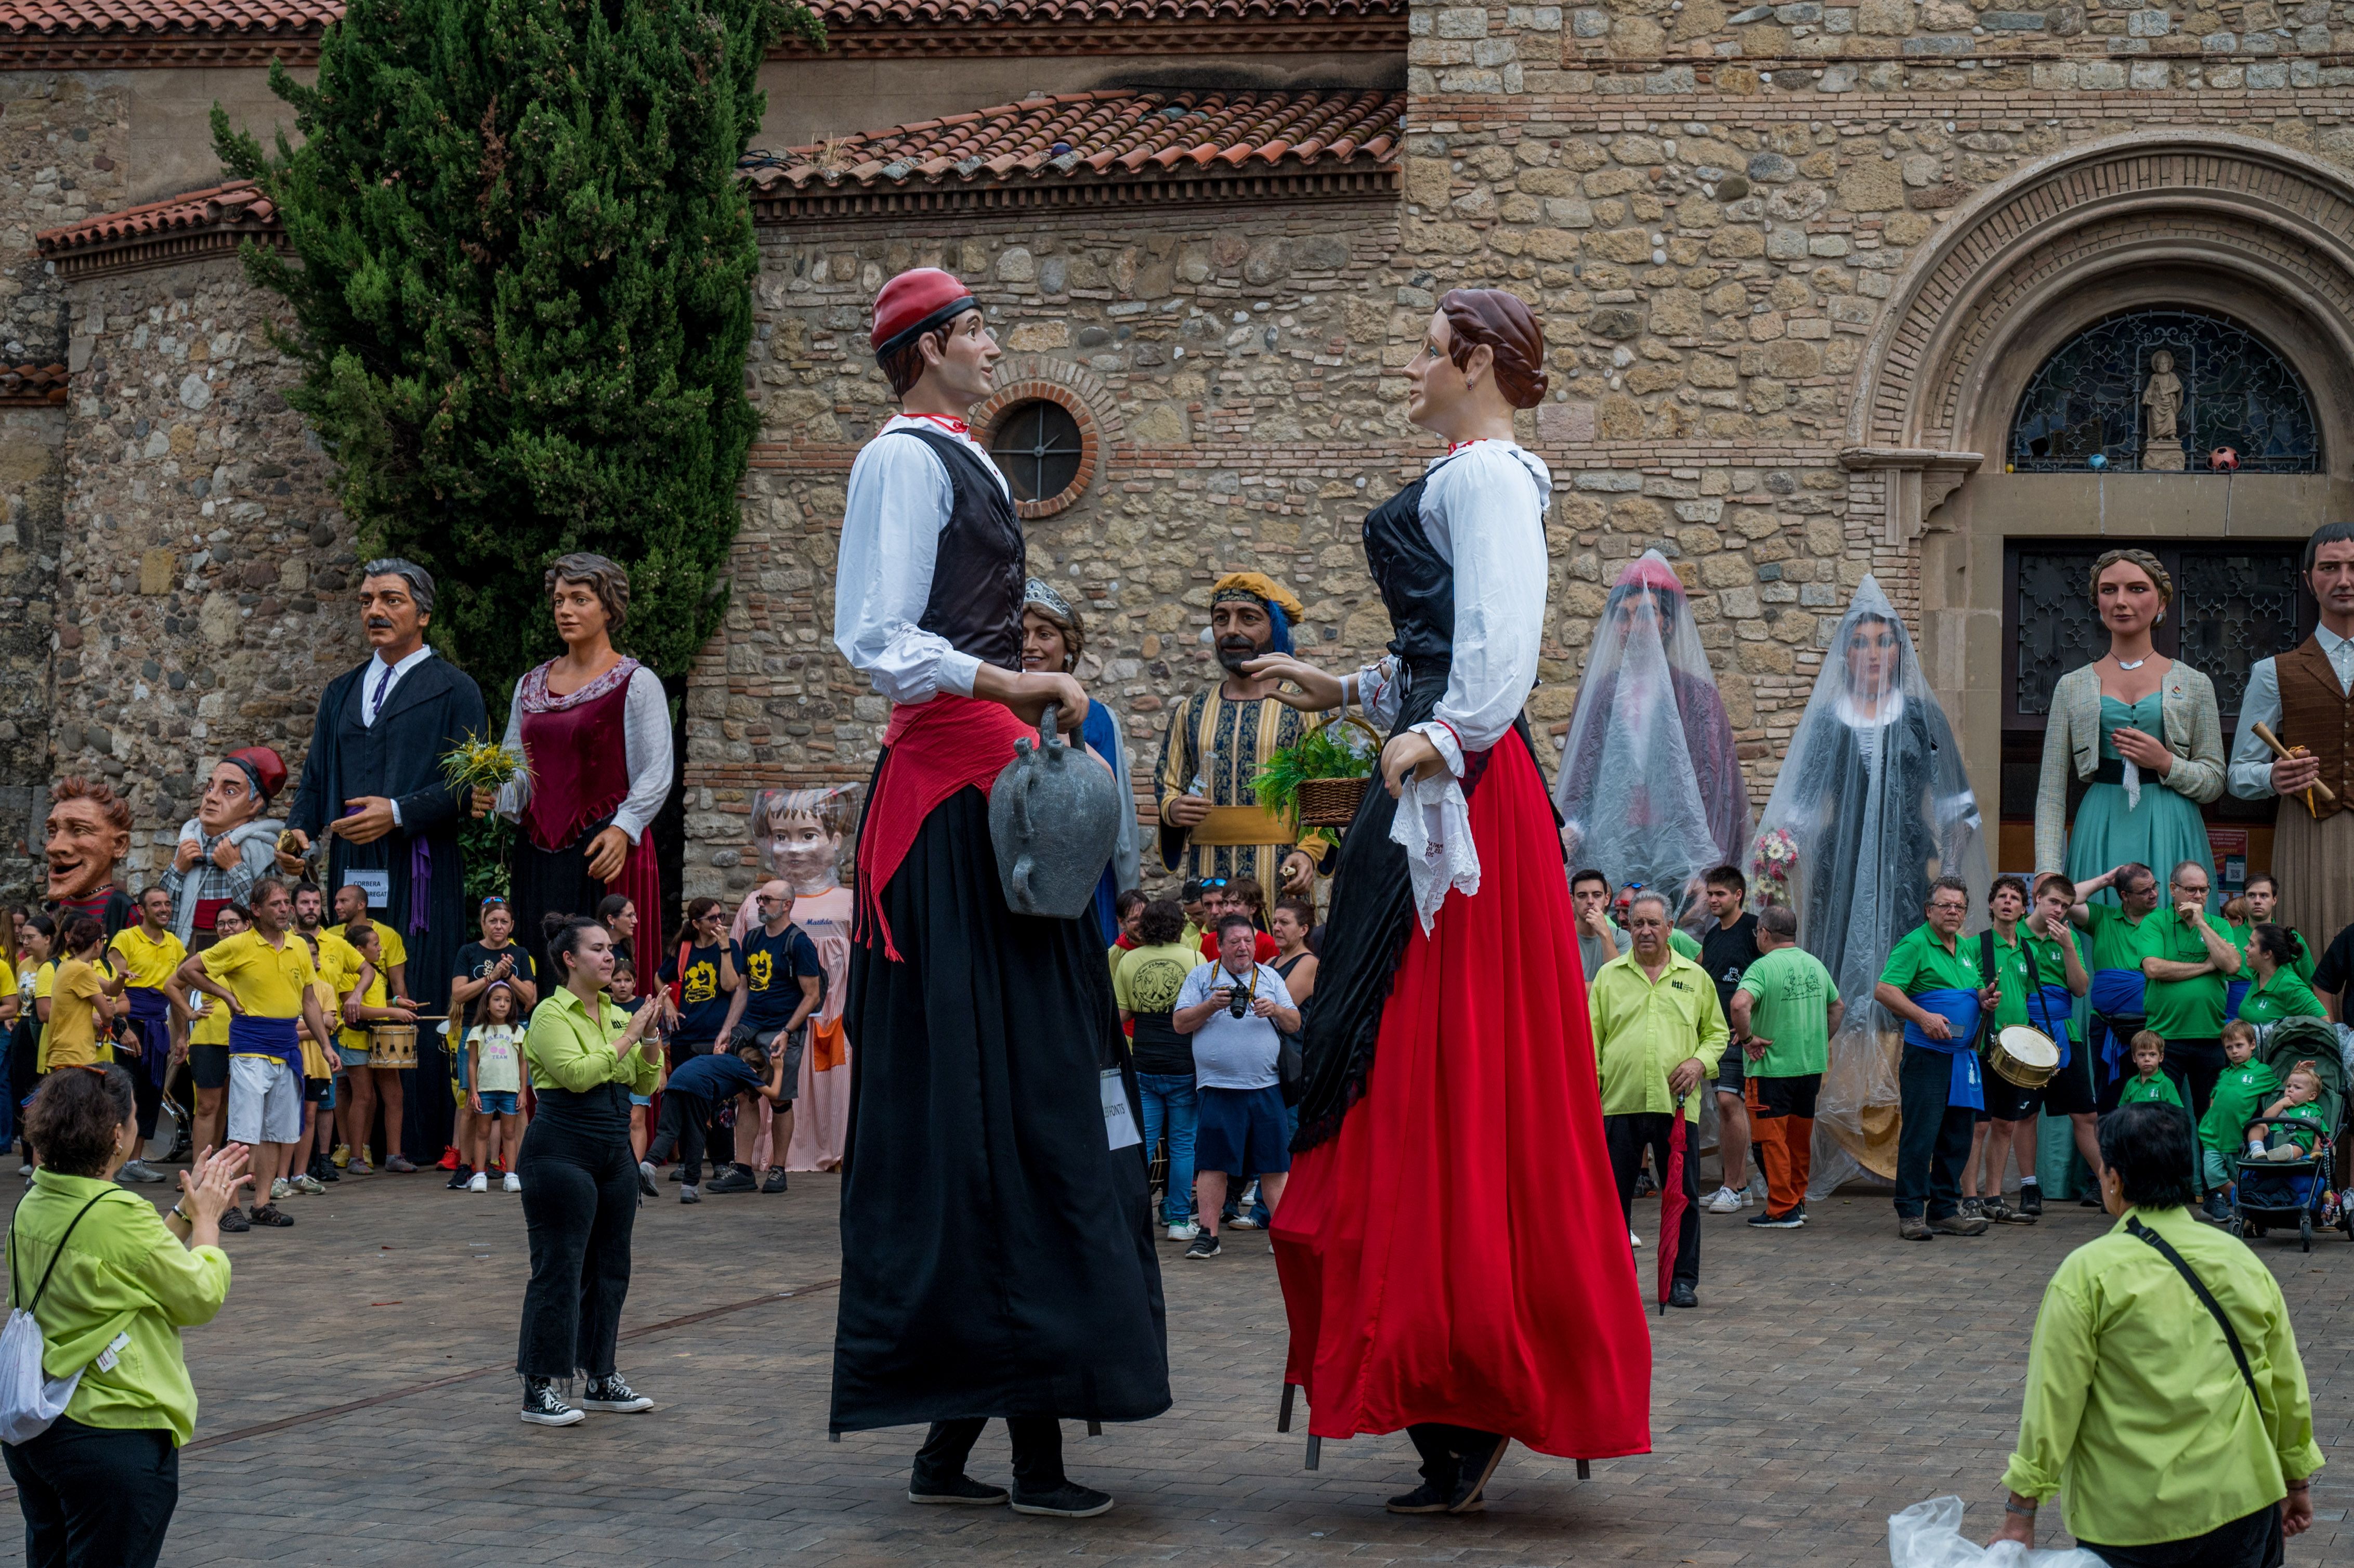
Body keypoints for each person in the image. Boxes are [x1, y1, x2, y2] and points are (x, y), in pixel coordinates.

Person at [1244, 290, 1651, 1513]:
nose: (1412, 365)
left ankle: (1466, 1387)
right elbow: (1441, 640)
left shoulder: (1486, 476)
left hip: (1458, 799)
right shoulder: (1471, 473)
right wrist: (1346, 685)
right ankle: (1442, 1387)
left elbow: (1497, 650)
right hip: (1442, 774)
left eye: (1428, 349)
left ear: (1473, 361)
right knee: (1415, 1066)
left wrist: (1437, 735)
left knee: (1446, 1072)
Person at [829, 266, 1167, 1516]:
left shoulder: (956, 458)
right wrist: (1007, 682)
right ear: (924, 349)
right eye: (973, 329)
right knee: (1002, 1112)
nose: (990, 344)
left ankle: (958, 1446)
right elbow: (875, 637)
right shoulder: (901, 461)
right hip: (948, 821)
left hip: (995, 818)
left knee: (1036, 1105)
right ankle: (1008, 1451)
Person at [1992, 1102, 2320, 1566]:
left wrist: (2019, 1513)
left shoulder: (2088, 1272)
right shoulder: (2239, 1259)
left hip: (2130, 1520)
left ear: (2115, 1177)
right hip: (2241, 1502)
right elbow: (2284, 1382)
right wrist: (2296, 1480)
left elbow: (2053, 1400)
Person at [1750, 579, 1990, 1192]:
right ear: (1845, 656)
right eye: (1860, 643)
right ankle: (1839, 1122)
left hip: (1910, 865)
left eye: (1885, 642)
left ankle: (1895, 1131)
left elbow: (1957, 803)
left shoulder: (1920, 716)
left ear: (1898, 654)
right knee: (1839, 981)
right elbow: (1798, 808)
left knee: (1899, 978)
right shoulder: (1827, 721)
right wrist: (1779, 858)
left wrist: (1953, 871)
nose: (1873, 653)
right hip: (1838, 864)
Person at [280, 558, 487, 1171]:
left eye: (392, 600)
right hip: (352, 863)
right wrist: (298, 830)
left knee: (413, 988)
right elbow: (316, 779)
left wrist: (398, 811)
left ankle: (416, 1139)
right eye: (368, 599)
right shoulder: (340, 691)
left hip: (421, 864)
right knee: (346, 986)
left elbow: (468, 786)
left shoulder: (457, 688)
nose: (375, 610)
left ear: (422, 614)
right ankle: (348, 1142)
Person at [4, 1067, 246, 1568]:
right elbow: (200, 1295)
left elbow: (120, 1263)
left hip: (42, 1428)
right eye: (136, 1116)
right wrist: (207, 1225)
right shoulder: (119, 1213)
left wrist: (182, 1210)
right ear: (117, 1134)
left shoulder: (37, 1198)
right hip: (113, 1431)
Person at [515, 914, 669, 1427]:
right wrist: (629, 1038)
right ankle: (539, 1388)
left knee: (610, 1269)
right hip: (560, 1150)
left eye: (612, 949)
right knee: (559, 1268)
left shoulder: (615, 1013)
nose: (611, 957)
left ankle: (601, 1376)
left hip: (611, 1149)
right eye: (599, 949)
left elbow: (647, 1077)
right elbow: (578, 1075)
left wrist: (648, 1037)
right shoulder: (548, 1015)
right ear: (569, 959)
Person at [488, 553, 671, 961]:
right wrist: (496, 792)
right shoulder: (530, 684)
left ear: (608, 608)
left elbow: (656, 771)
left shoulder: (636, 683)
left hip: (606, 847)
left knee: (603, 968)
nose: (565, 611)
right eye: (558, 601)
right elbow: (516, 766)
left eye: (579, 599)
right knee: (540, 962)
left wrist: (624, 829)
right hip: (537, 849)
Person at [1553, 552, 1750, 922]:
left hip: (1678, 853)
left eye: (1643, 615)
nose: (1630, 627)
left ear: (1667, 624)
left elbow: (1717, 791)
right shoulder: (1600, 695)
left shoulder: (1697, 698)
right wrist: (1573, 829)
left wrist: (1709, 867)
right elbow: (1583, 775)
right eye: (1623, 617)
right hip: (1613, 846)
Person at [2035, 548, 2224, 916]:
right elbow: (2051, 791)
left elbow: (2215, 779)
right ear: (2097, 601)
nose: (2121, 601)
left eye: (2137, 589)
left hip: (2174, 825)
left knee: (2175, 937)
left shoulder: (2195, 684)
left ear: (2162, 601)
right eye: (2109, 591)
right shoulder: (2072, 687)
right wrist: (2047, 866)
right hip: (2100, 825)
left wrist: (2166, 762)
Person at [1152, 569, 1328, 901]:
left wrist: (1309, 852)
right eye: (1221, 619)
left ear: (1274, 628)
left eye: (1248, 618)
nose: (1231, 630)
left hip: (1280, 871)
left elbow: (1324, 793)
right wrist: (1173, 809)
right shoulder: (1191, 711)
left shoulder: (1305, 706)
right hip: (1207, 876)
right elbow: (1167, 782)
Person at [173, 879, 335, 1230]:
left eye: (285, 903)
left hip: (286, 1048)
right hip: (249, 1046)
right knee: (242, 1134)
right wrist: (227, 996)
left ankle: (261, 1204)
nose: (284, 909)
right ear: (256, 911)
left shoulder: (297, 946)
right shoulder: (238, 944)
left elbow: (309, 1002)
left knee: (275, 1133)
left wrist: (324, 1045)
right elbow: (187, 972)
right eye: (275, 904)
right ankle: (228, 1206)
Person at [1591, 890, 1727, 1302]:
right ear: (1628, 928)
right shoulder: (1609, 977)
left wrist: (1698, 1063)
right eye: (1638, 924)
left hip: (1676, 1108)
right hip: (1619, 1104)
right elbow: (1590, 1041)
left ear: (1670, 928)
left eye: (1654, 923)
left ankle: (1681, 1281)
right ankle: (1617, 1285)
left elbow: (1717, 1033)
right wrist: (1594, 1092)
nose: (1646, 931)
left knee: (1682, 1198)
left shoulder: (1695, 977)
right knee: (1612, 1203)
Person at [2227, 521, 2354, 946]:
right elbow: (2238, 774)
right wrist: (2272, 778)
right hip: (2308, 833)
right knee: (2311, 956)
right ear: (2308, 579)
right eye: (2329, 568)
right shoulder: (2272, 673)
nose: (2344, 580)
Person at [726, 785, 859, 1171]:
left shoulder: (849, 904)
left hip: (833, 1029)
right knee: (760, 1093)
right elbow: (739, 978)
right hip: (765, 1026)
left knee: (831, 1096)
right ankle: (755, 1161)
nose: (794, 848)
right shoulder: (753, 907)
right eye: (781, 837)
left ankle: (834, 1154)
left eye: (808, 835)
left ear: (836, 841)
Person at [1168, 913, 1299, 1260]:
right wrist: (1211, 1005)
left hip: (1265, 1087)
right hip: (1218, 1087)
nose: (1243, 947)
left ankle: (1283, 1234)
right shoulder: (1202, 977)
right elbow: (1180, 1024)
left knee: (1274, 1165)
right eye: (1235, 942)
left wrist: (1274, 1010)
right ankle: (1209, 1236)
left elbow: (1295, 1021)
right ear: (1221, 946)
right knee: (1213, 1164)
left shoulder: (1269, 976)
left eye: (1248, 941)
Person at [1876, 876, 1999, 1241]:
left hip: (1963, 1058)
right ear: (1929, 910)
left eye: (1958, 906)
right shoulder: (1914, 944)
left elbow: (1970, 986)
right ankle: (1912, 1212)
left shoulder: (1963, 947)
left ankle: (1945, 1209)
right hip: (1927, 1056)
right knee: (1922, 1134)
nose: (1952, 911)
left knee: (1958, 1135)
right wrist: (1923, 1017)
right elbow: (1884, 989)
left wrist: (1983, 997)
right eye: (1944, 905)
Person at [1022, 577, 1140, 947]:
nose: (1030, 645)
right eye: (1021, 633)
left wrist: (1130, 894)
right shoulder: (992, 711)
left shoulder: (1099, 720)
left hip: (1085, 876)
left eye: (1044, 634)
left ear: (1068, 648)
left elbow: (1119, 820)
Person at [1728, 903, 1840, 1229]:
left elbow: (1739, 1004)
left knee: (1768, 1142)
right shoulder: (1815, 965)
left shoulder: (1762, 968)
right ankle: (1797, 1201)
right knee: (1797, 1139)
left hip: (1772, 1070)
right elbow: (1838, 1007)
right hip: (1809, 1069)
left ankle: (1782, 1209)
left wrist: (1748, 1039)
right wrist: (1820, 1039)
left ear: (1764, 933)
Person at [2001, 873, 2100, 1216]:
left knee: (2085, 1114)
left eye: (2066, 905)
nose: (2059, 910)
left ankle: (2107, 1182)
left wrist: (2070, 947)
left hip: (2065, 1031)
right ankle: (2030, 1187)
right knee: (2025, 1115)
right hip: (2025, 1034)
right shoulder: (2014, 935)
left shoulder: (2066, 937)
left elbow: (2081, 988)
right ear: (2037, 897)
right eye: (2054, 902)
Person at [725, 883, 824, 1194]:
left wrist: (787, 1031)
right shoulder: (752, 938)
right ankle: (742, 1168)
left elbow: (812, 995)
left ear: (787, 905)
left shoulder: (800, 943)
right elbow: (743, 989)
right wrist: (728, 1029)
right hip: (751, 1029)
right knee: (744, 1095)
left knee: (779, 1099)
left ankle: (778, 1169)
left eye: (767, 899)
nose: (761, 903)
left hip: (782, 1031)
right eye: (760, 898)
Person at [1114, 898, 1202, 1241]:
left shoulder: (1129, 960)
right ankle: (1180, 1221)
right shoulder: (1194, 958)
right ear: (1178, 925)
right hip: (1183, 1061)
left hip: (1145, 1060)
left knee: (1143, 1143)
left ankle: (1132, 1219)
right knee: (1182, 1145)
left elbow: (1121, 1016)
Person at [448, 896, 540, 1191]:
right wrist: (492, 977)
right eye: (492, 921)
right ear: (483, 923)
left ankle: (519, 1165)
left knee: (518, 1099)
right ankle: (467, 1167)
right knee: (469, 1099)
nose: (498, 926)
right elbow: (459, 995)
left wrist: (508, 975)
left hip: (514, 1030)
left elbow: (530, 998)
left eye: (504, 922)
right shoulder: (468, 952)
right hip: (476, 1030)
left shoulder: (520, 953)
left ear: (511, 925)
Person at [2137, 858, 2238, 1121]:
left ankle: (2210, 1166)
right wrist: (2206, 967)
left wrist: (2202, 922)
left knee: (2211, 1120)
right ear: (2173, 889)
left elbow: (2232, 965)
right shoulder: (2155, 922)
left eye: (2204, 890)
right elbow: (2154, 969)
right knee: (2161, 1119)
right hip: (2164, 1039)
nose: (2198, 896)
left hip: (2211, 1037)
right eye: (2191, 890)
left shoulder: (2218, 925)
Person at [159, 749, 286, 948]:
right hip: (190, 945)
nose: (212, 798)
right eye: (210, 788)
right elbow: (161, 914)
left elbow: (268, 918)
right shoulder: (189, 844)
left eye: (229, 792)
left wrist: (235, 867)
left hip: (244, 950)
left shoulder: (259, 850)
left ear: (255, 804)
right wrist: (178, 869)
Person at [642, 1036, 791, 1203]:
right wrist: (778, 1069)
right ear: (754, 1071)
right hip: (698, 1086)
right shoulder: (745, 1070)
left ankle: (648, 1166)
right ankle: (689, 1188)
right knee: (696, 1134)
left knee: (668, 1131)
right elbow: (774, 1093)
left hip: (677, 1078)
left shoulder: (725, 1061)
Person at [169, 906, 245, 1216]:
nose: (227, 928)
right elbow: (171, 985)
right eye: (222, 924)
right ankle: (198, 1177)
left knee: (227, 1106)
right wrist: (189, 1015)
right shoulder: (211, 956)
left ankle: (216, 1172)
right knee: (208, 1107)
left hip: (243, 1040)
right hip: (209, 1038)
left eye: (233, 923)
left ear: (247, 924)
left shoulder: (253, 953)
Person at [2066, 862, 2163, 1102]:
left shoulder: (2166, 922)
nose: (2154, 894)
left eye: (2154, 887)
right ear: (2124, 896)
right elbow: (2067, 900)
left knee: (2151, 1100)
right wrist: (2107, 879)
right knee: (2109, 1098)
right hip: (2107, 1027)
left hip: (2155, 1026)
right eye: (2145, 891)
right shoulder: (2103, 918)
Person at [1697, 866, 1761, 1214]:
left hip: (1741, 1036)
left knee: (1728, 1103)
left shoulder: (1754, 930)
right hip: (1715, 1035)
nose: (1712, 900)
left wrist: (1750, 1025)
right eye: (1710, 894)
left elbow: (1769, 976)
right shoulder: (1712, 935)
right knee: (1724, 1108)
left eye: (1720, 894)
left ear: (1738, 895)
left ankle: (1732, 1187)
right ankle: (1738, 1185)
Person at [333, 920, 415, 1176]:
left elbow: (376, 1000)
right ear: (359, 949)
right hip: (356, 1041)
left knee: (395, 1096)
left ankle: (394, 1155)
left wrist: (396, 1000)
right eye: (376, 944)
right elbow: (356, 1009)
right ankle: (356, 1156)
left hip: (380, 1040)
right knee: (364, 1097)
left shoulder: (376, 970)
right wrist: (392, 1011)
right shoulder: (348, 972)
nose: (381, 949)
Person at [2196, 1021, 2276, 1222]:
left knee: (2238, 1176)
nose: (2234, 1051)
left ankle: (2246, 1206)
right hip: (2212, 1135)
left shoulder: (2261, 1072)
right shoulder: (2225, 1072)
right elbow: (2214, 1097)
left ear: (2252, 1045)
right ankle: (2245, 1202)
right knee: (2213, 1174)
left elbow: (2282, 1089)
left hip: (2236, 1139)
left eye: (2239, 1046)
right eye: (2229, 1048)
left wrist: (2298, 1075)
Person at [43, 778, 136, 940]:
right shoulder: (53, 908)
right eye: (53, 832)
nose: (54, 847)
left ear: (119, 845)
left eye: (79, 830)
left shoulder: (125, 911)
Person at [464, 982, 527, 1193]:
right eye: (497, 1000)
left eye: (507, 1001)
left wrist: (523, 1091)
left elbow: (523, 1063)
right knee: (483, 1132)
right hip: (485, 1090)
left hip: (510, 1090)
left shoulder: (517, 1031)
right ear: (487, 1004)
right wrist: (474, 1093)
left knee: (509, 1133)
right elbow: (472, 1064)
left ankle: (511, 1174)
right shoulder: (477, 1032)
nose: (502, 1005)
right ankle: (480, 1175)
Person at [2234, 924, 2324, 1029]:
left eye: (2252, 945)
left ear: (2267, 954)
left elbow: (2325, 1022)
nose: (2246, 948)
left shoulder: (2290, 985)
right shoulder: (2258, 977)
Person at [1571, 868, 1631, 981]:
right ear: (1572, 900)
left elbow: (1618, 983)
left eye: (1597, 895)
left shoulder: (1622, 937)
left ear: (1607, 899)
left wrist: (1605, 934)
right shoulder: (1560, 938)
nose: (1590, 901)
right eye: (1582, 896)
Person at [2118, 1030, 2185, 1111]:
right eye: (2142, 1055)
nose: (2147, 1059)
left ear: (2161, 1057)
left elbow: (2177, 1114)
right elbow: (2122, 1112)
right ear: (2134, 1058)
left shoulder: (2166, 1084)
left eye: (2152, 1055)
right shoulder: (2131, 1083)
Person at [1268, 898, 1317, 1004]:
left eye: (1284, 923)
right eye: (1275, 922)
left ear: (1303, 930)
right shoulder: (1271, 961)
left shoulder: (1309, 963)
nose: (1276, 928)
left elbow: (1282, 1005)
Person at [594, 894, 638, 969]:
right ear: (611, 920)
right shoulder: (595, 951)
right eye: (629, 916)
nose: (635, 921)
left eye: (634, 915)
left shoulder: (627, 946)